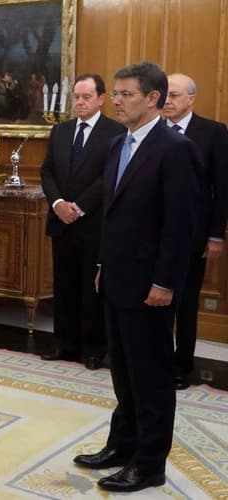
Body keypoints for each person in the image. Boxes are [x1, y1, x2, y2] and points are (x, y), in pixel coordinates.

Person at [73, 61, 201, 493]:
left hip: (151, 287)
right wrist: (102, 266)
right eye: (117, 93)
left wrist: (165, 282)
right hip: (116, 279)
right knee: (123, 373)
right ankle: (122, 445)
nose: (118, 101)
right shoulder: (117, 145)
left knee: (151, 377)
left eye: (126, 94)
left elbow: (180, 225)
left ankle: (149, 464)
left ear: (152, 99)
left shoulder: (174, 149)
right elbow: (112, 218)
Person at [39, 74, 126, 370]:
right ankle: (64, 343)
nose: (79, 102)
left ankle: (93, 348)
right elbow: (47, 172)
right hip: (61, 222)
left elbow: (109, 177)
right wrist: (58, 204)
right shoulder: (60, 131)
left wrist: (79, 207)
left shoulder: (116, 132)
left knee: (92, 290)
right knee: (64, 287)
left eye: (86, 97)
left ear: (101, 98)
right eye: (76, 96)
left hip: (93, 224)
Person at [163, 73, 228, 390]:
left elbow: (222, 188)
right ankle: (155, 359)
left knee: (185, 302)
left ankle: (181, 364)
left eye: (174, 95)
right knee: (153, 300)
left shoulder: (212, 132)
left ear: (191, 98)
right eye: (164, 94)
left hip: (193, 234)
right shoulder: (152, 130)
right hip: (153, 234)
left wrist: (216, 234)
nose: (168, 101)